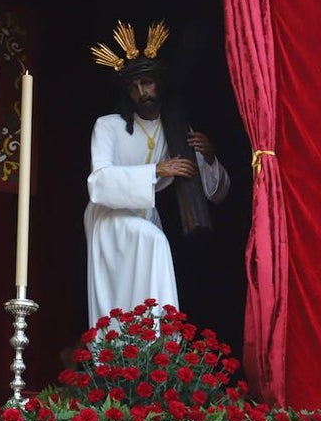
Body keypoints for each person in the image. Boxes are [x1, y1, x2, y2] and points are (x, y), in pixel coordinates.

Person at [84, 21, 230, 326]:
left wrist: (208, 156)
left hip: (144, 217)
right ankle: (162, 340)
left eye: (147, 83)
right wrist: (157, 170)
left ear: (158, 84)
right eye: (134, 88)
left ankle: (152, 352)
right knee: (155, 243)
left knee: (148, 267)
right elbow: (98, 184)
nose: (141, 92)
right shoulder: (108, 125)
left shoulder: (174, 130)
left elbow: (216, 194)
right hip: (108, 218)